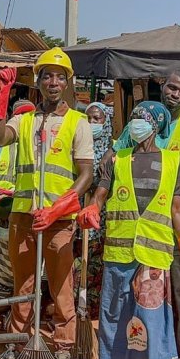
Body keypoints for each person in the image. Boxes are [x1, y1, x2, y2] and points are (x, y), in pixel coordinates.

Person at [79, 102, 180, 359]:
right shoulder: (116, 159)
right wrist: (92, 208)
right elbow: (101, 193)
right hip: (120, 252)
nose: (136, 123)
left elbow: (176, 210)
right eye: (134, 118)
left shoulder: (173, 161)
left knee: (149, 319)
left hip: (154, 254)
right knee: (122, 316)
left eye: (143, 119)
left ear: (157, 125)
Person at [0, 48, 95, 359]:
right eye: (47, 76)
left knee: (61, 285)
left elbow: (86, 173)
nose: (53, 82)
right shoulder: (25, 121)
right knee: (24, 284)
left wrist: (60, 207)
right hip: (23, 215)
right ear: (38, 81)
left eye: (60, 77)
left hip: (59, 220)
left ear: (67, 83)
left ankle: (62, 352)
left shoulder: (78, 122)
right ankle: (15, 344)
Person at [103, 71, 180, 359]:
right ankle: (134, 357)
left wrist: (170, 200)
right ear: (162, 87)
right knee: (133, 293)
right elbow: (113, 157)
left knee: (176, 291)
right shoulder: (142, 120)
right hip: (133, 225)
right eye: (172, 88)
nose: (175, 95)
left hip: (176, 222)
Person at [83, 101, 114, 318]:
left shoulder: (113, 151)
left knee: (96, 262)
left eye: (97, 119)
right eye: (88, 119)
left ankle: (94, 309)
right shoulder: (79, 145)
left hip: (101, 215)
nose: (92, 123)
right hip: (79, 209)